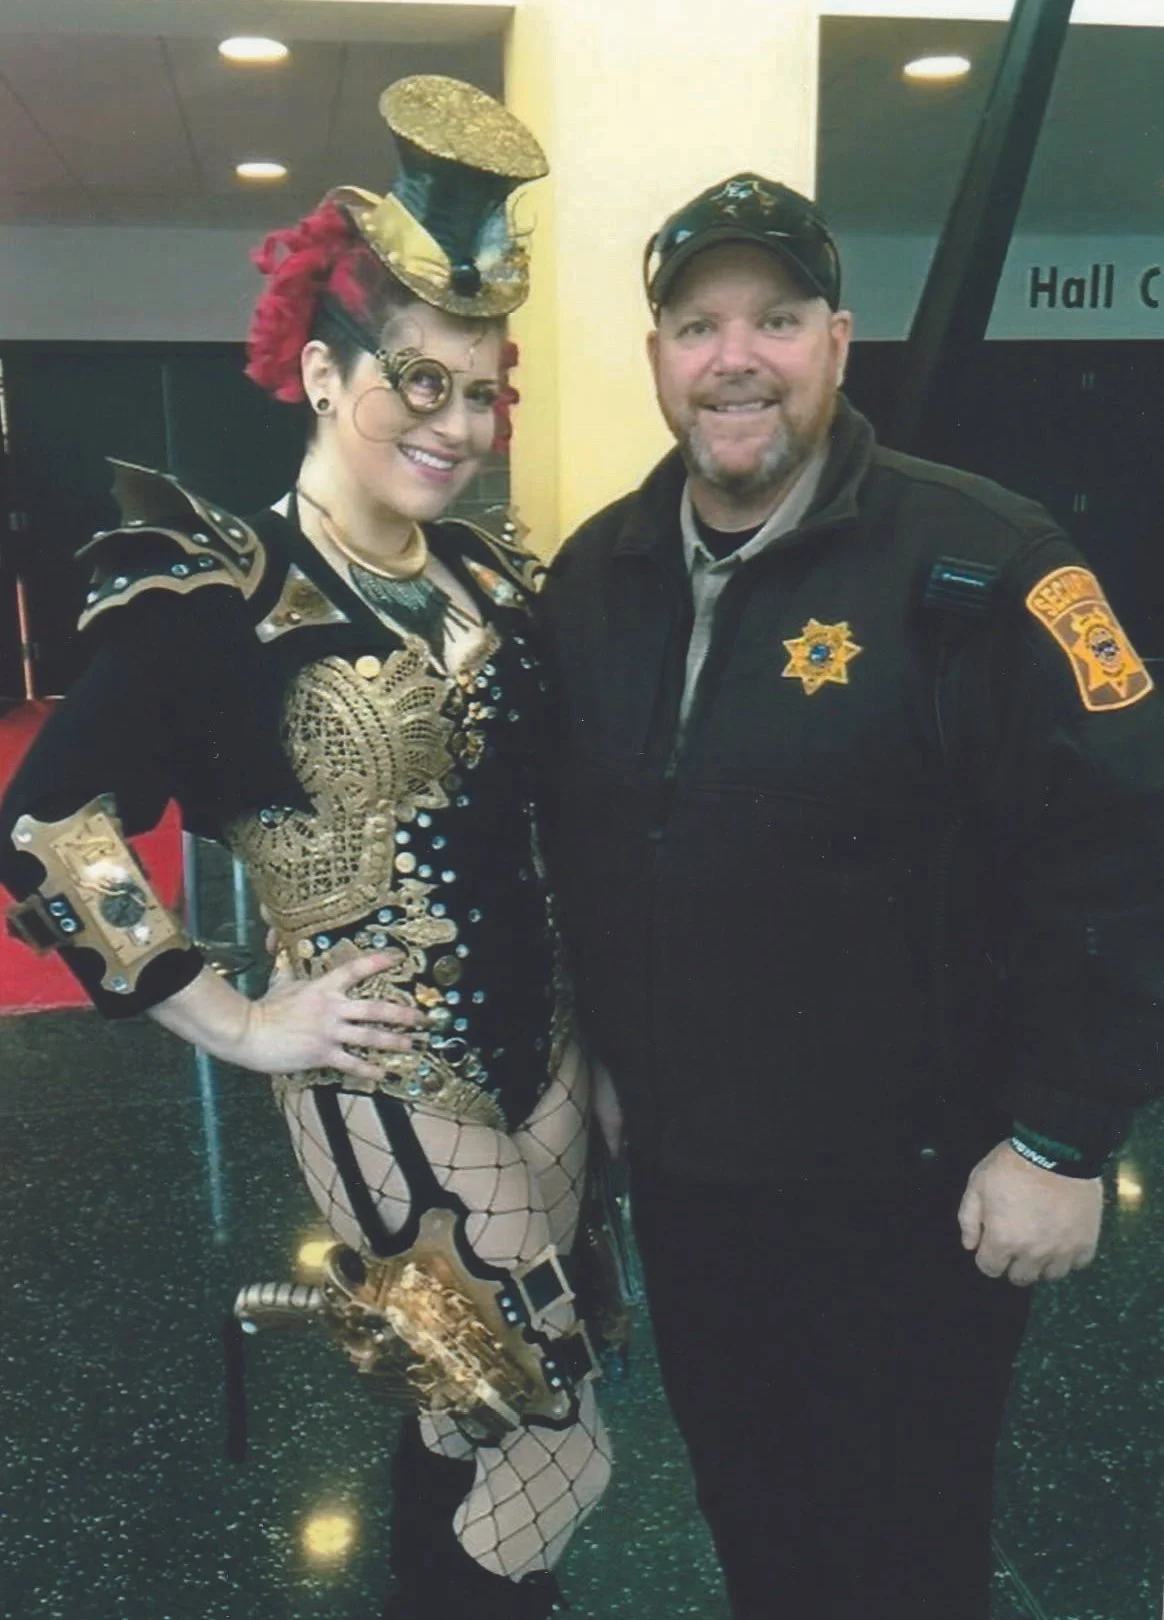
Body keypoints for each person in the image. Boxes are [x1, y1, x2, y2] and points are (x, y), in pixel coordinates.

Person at [0, 76, 609, 1620]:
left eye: (484, 392)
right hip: (386, 1082)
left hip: (548, 1059)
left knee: (459, 1410)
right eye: (421, 383)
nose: (460, 429)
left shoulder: (489, 573)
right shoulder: (218, 582)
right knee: (561, 1452)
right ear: (325, 371)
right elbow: (45, 826)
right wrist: (239, 1020)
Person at [540, 172, 1164, 1619]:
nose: (734, 356)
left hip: (917, 1199)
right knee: (754, 1516)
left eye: (776, 316)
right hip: (696, 1192)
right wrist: (605, 1061)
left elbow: (1130, 847)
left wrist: (1067, 1134)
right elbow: (579, 848)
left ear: (837, 339)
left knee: (905, 1544)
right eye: (697, 326)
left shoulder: (989, 563)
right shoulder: (597, 576)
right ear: (657, 362)